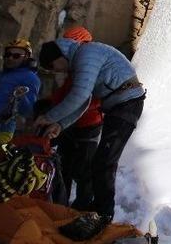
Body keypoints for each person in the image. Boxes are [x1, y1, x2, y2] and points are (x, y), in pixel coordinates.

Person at [33, 37, 145, 240]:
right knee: (101, 161)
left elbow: (79, 94)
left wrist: (49, 117)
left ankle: (104, 214)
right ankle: (99, 210)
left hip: (127, 103)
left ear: (59, 56)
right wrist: (60, 125)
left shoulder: (86, 54)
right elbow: (85, 100)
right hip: (120, 104)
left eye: (53, 66)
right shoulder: (82, 57)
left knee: (105, 161)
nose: (57, 71)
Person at [50, 25, 103, 210]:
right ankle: (61, 205)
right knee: (65, 165)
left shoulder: (89, 65)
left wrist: (55, 112)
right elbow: (65, 92)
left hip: (88, 124)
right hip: (72, 124)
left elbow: (85, 97)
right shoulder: (75, 67)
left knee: (83, 170)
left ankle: (81, 206)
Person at [0, 38, 41, 156]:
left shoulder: (30, 78)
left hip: (0, 131)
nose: (10, 58)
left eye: (16, 55)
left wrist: (22, 97)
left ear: (26, 57)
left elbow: (28, 111)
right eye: (8, 54)